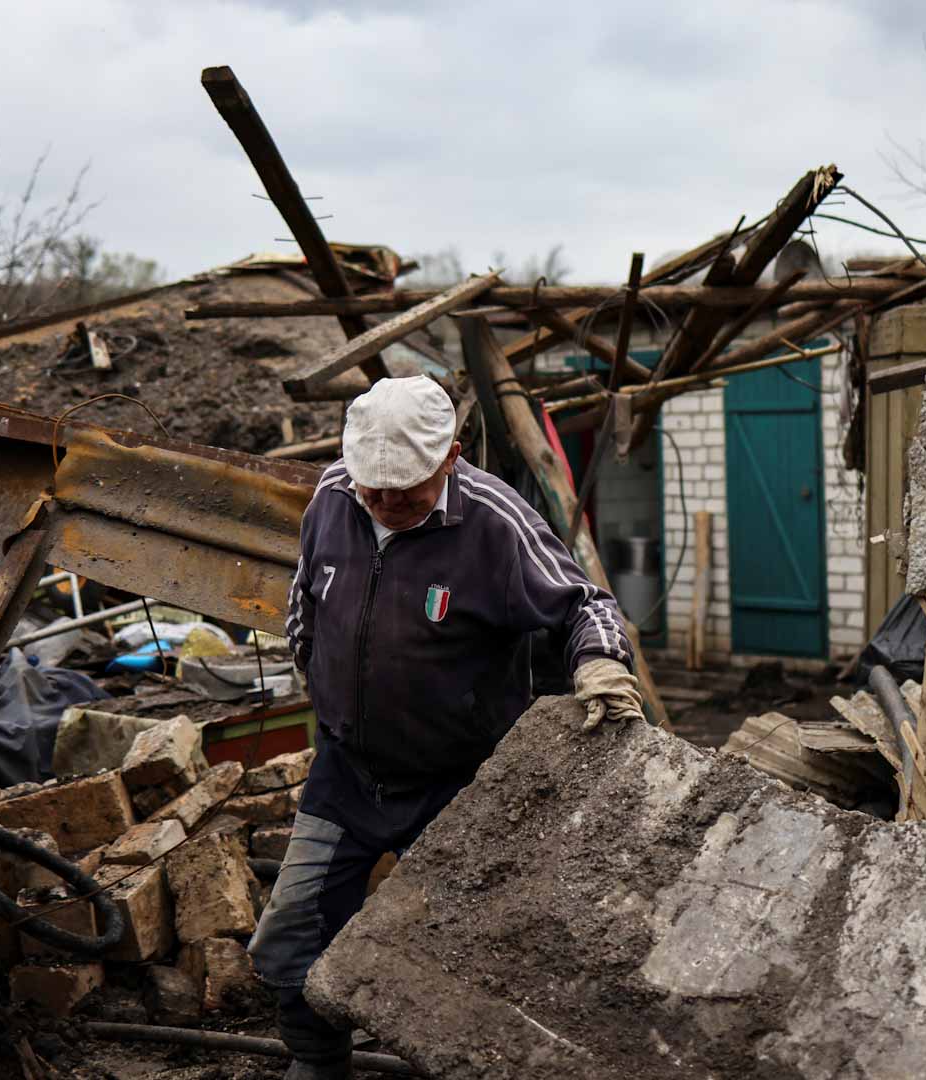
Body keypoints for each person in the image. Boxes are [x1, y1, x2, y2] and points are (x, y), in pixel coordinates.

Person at [248, 376, 645, 1079]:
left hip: (462, 782)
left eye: (407, 488)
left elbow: (586, 604)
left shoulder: (493, 519)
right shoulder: (333, 499)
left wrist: (604, 670)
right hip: (350, 770)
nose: (386, 502)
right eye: (376, 487)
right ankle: (316, 1062)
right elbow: (304, 606)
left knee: (470, 952)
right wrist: (327, 688)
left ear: (451, 457)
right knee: (291, 934)